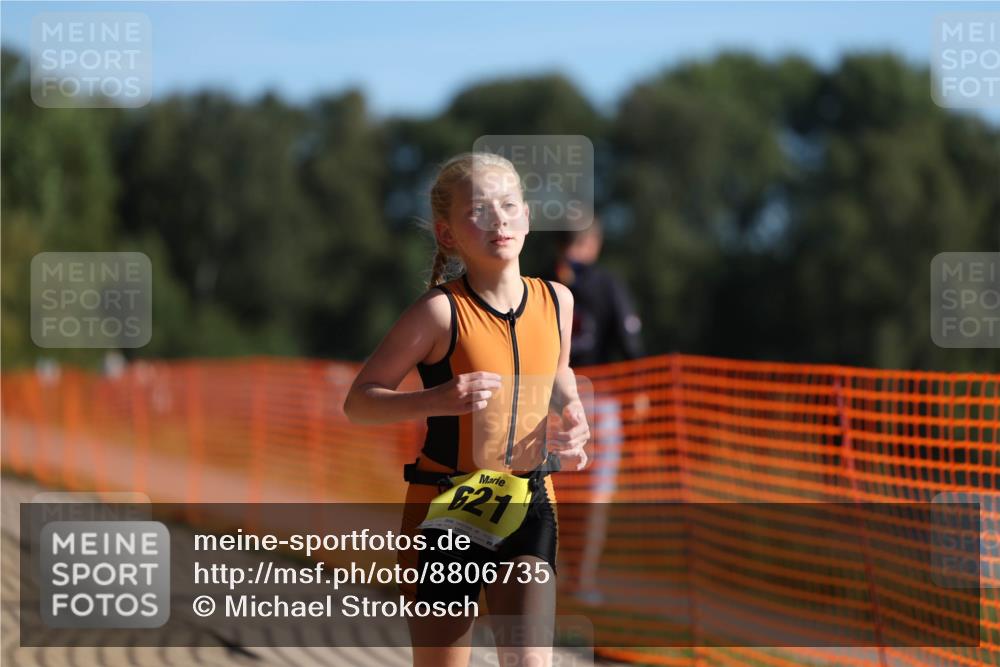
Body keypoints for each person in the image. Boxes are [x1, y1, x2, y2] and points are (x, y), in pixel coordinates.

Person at [343, 152, 590, 667]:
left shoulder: (558, 301)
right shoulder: (438, 312)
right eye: (479, 209)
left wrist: (574, 415)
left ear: (526, 215)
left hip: (529, 500)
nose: (498, 219)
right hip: (448, 508)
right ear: (448, 233)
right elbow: (359, 402)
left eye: (508, 205)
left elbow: (558, 371)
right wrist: (435, 399)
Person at [546, 217, 646, 604]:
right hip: (598, 399)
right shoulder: (606, 283)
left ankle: (548, 571)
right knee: (595, 496)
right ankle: (583, 580)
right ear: (592, 242)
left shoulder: (538, 280)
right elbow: (629, 342)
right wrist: (640, 391)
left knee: (549, 491)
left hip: (547, 399)